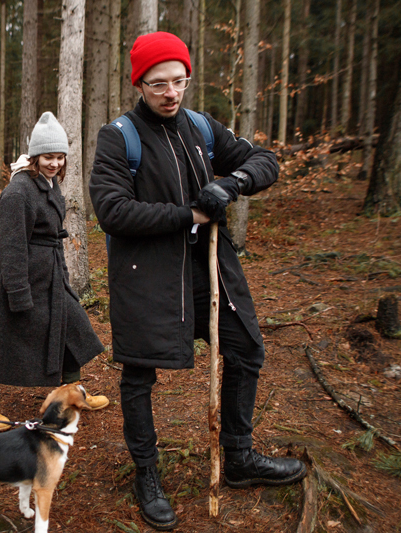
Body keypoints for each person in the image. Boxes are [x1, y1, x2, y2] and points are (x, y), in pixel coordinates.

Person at [89, 32, 306, 530]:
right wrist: (189, 213)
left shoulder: (202, 128)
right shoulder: (118, 136)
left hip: (212, 269)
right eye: (159, 84)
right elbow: (112, 211)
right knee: (140, 375)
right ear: (139, 83)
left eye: (180, 81)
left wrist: (232, 183)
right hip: (146, 276)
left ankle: (239, 457)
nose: (171, 93)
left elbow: (264, 160)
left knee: (247, 349)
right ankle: (147, 474)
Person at [0, 112, 109, 431]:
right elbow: (12, 246)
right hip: (20, 276)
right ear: (34, 156)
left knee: (72, 324)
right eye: (48, 157)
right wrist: (18, 293)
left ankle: (71, 390)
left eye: (60, 157)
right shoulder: (19, 192)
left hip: (50, 274)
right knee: (0, 335)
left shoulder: (46, 183)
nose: (55, 163)